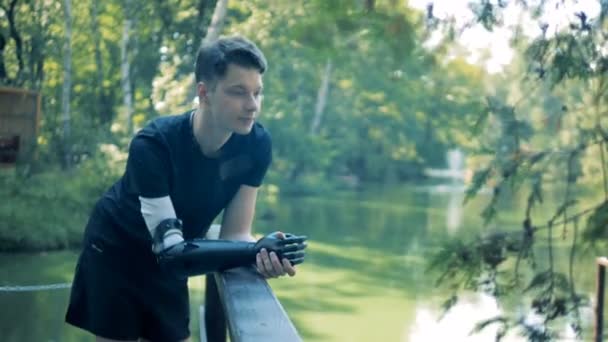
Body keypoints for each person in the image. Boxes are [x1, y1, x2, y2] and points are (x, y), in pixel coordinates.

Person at [65, 36, 307, 342]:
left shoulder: (257, 144)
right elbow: (171, 253)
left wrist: (262, 256)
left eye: (258, 93)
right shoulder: (153, 144)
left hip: (177, 256)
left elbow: (235, 234)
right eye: (238, 92)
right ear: (204, 93)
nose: (252, 105)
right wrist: (251, 251)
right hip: (117, 250)